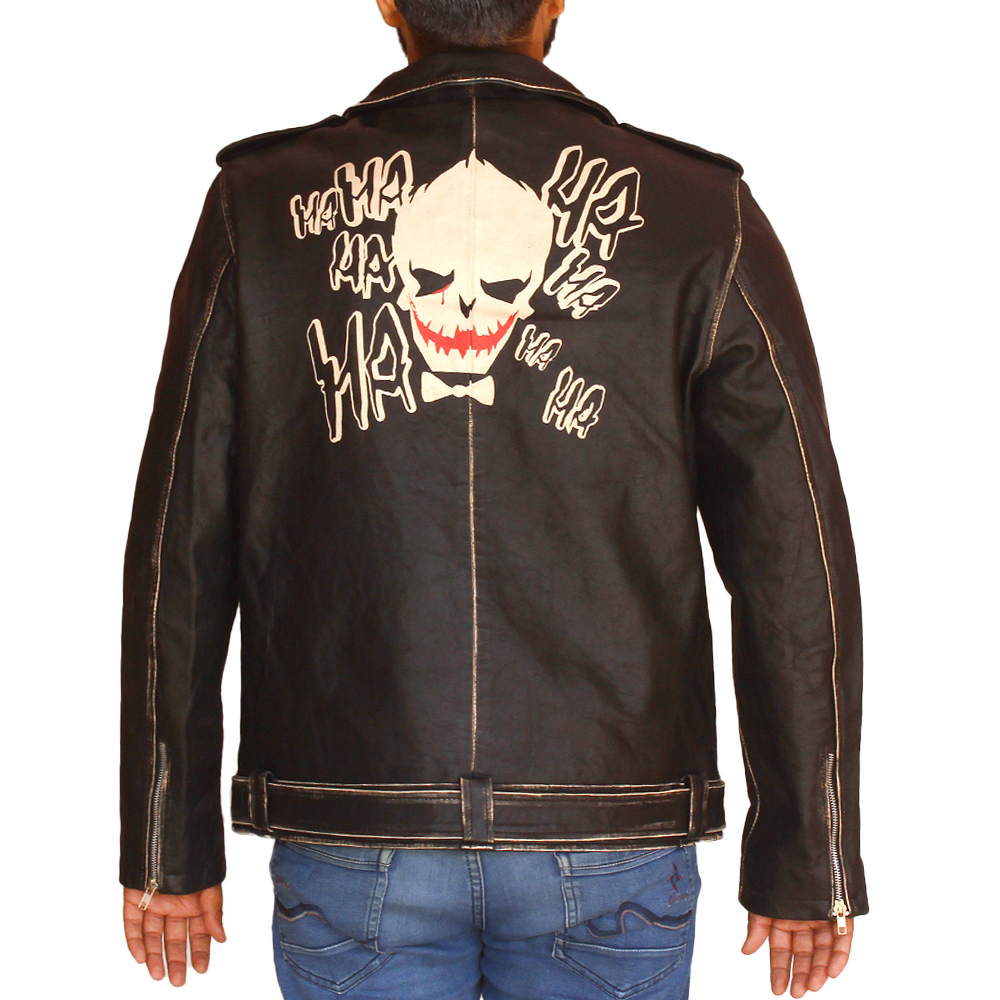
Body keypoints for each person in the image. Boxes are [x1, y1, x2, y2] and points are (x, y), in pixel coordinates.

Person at [120, 1, 867, 997]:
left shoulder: (258, 205)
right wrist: (807, 851)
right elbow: (792, 560)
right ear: (554, 0)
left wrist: (167, 839)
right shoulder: (700, 211)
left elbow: (180, 546)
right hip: (609, 828)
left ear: (389, 2)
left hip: (357, 825)